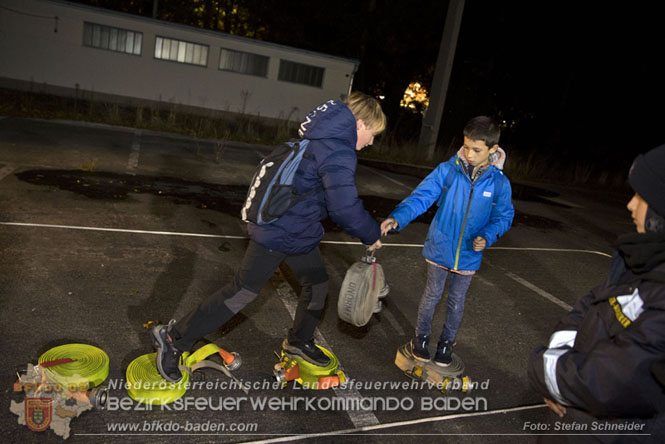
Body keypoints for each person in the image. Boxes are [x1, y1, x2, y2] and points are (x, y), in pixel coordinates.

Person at [152, 92, 386, 382]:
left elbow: (318, 193)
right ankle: (175, 339)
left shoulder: (319, 139)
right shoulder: (338, 149)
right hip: (281, 232)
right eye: (373, 134)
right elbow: (344, 207)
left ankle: (299, 341)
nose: (372, 142)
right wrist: (370, 234)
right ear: (360, 124)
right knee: (242, 293)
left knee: (317, 283)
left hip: (298, 231)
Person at [528, 144, 665, 440]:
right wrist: (559, 363)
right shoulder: (637, 259)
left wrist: (545, 371)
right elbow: (587, 308)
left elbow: (614, 381)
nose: (630, 204)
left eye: (642, 196)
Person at [381, 116, 514, 366]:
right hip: (439, 246)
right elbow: (421, 197)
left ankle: (445, 344)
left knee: (456, 301)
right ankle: (420, 340)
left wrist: (487, 236)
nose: (470, 154)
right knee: (431, 294)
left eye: (477, 150)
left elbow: (504, 216)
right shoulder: (447, 170)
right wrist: (398, 218)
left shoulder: (499, 183)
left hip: (468, 253)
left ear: (493, 150)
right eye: (466, 147)